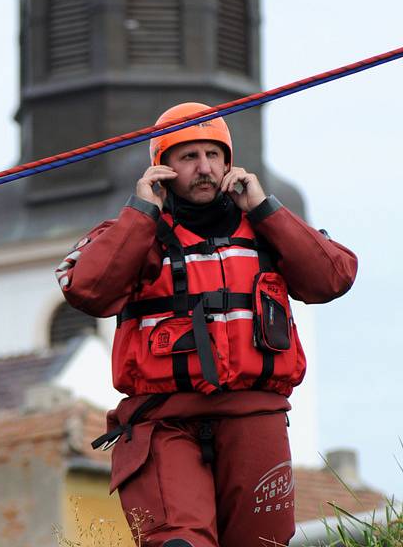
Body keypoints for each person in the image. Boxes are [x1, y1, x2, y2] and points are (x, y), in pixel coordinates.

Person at [55, 103, 357, 547]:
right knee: (178, 543)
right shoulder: (134, 233)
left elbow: (334, 277)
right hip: (163, 422)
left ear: (229, 163)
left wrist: (265, 208)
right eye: (188, 156)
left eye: (213, 155)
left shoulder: (267, 230)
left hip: (255, 418)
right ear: (161, 168)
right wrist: (142, 212)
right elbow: (86, 288)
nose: (204, 168)